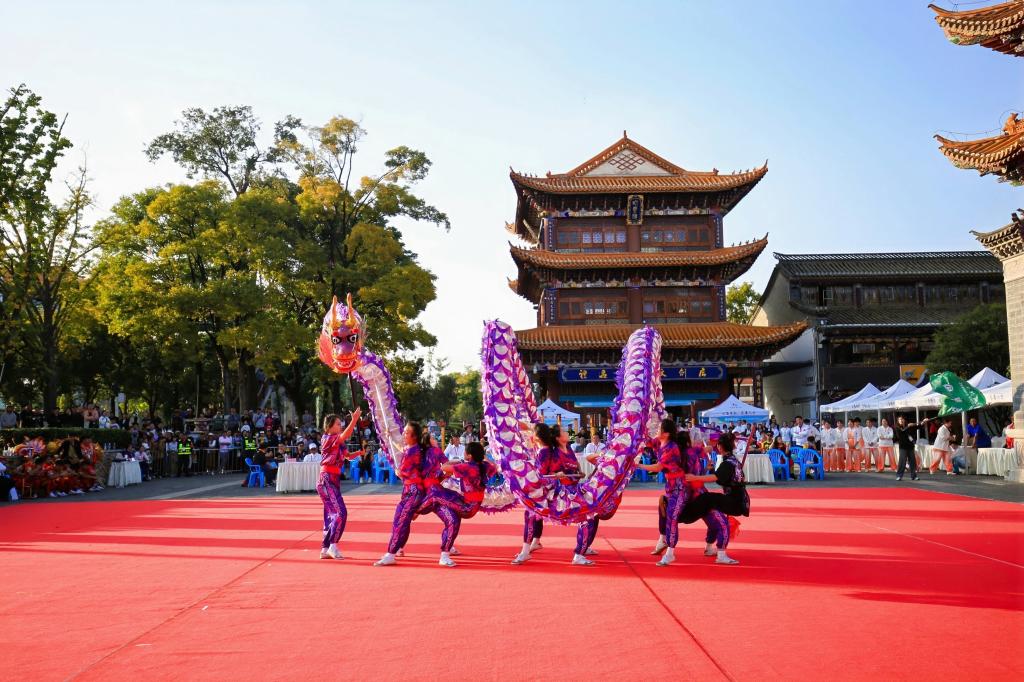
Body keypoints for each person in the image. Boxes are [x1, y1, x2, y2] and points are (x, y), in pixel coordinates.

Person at [679, 432, 747, 564]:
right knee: (711, 513)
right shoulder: (731, 460)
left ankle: (721, 554)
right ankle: (709, 547)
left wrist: (695, 477)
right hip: (732, 497)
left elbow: (715, 477)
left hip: (734, 501)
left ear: (720, 447)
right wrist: (705, 469)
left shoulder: (728, 463)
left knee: (711, 504)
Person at [428, 442, 497, 567]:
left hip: (466, 506)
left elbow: (444, 467)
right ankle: (448, 548)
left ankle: (415, 511)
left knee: (435, 495)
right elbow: (494, 466)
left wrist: (456, 461)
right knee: (451, 519)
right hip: (472, 504)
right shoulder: (484, 466)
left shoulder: (466, 466)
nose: (463, 453)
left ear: (469, 455)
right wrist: (484, 458)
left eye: (465, 451)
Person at [375, 422, 429, 566]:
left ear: (414, 436)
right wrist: (391, 438)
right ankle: (398, 547)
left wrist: (398, 472)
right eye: (404, 431)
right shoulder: (412, 448)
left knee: (402, 520)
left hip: (414, 491)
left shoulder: (413, 452)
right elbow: (401, 448)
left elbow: (402, 471)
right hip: (409, 490)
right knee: (399, 518)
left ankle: (391, 553)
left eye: (406, 432)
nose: (404, 434)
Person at [637, 419, 686, 567]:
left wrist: (638, 465)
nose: (657, 430)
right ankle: (663, 541)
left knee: (672, 517)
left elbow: (658, 467)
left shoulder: (672, 447)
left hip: (679, 487)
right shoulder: (660, 442)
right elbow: (647, 441)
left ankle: (670, 553)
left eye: (659, 428)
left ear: (667, 433)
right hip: (670, 486)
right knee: (664, 513)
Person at [317, 410, 362, 560]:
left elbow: (347, 456)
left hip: (333, 480)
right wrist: (354, 420)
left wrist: (359, 453)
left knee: (331, 515)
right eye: (337, 424)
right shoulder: (328, 438)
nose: (340, 426)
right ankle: (332, 545)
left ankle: (325, 548)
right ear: (329, 426)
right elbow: (345, 435)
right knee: (340, 513)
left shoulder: (338, 442)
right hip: (326, 479)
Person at [894, 415, 920, 481]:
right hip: (903, 447)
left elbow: (918, 427)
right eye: (899, 419)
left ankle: (914, 476)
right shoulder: (897, 427)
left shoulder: (909, 426)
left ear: (904, 420)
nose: (901, 420)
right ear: (898, 421)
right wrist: (908, 426)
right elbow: (901, 433)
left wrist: (923, 422)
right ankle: (899, 476)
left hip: (910, 446)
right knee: (902, 462)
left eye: (902, 419)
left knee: (912, 462)